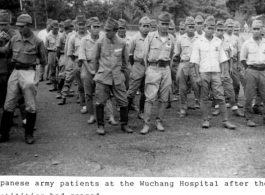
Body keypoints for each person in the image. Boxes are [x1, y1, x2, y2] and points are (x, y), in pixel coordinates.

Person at [0, 14, 47, 144]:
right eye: (18, 26)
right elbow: (5, 50)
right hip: (15, 72)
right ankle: (4, 133)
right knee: (9, 103)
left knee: (30, 105)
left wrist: (37, 78)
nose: (19, 29)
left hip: (29, 72)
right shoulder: (15, 39)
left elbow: (43, 62)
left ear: (29, 26)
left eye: (22, 26)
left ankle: (29, 134)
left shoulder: (38, 42)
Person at [190, 15, 236, 129]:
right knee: (204, 97)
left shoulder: (218, 41)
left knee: (220, 97)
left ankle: (225, 120)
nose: (211, 30)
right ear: (204, 27)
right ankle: (205, 119)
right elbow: (195, 61)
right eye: (209, 28)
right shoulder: (198, 42)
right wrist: (197, 77)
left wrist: (224, 73)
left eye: (213, 28)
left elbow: (223, 59)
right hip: (204, 72)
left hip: (216, 73)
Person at [92, 17, 132, 135]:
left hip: (117, 77)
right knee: (100, 101)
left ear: (115, 30)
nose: (106, 32)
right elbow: (95, 59)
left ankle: (124, 124)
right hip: (103, 77)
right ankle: (100, 126)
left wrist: (123, 74)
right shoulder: (99, 42)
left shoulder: (122, 42)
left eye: (108, 30)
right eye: (105, 30)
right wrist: (98, 73)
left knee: (123, 101)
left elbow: (126, 61)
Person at [140, 12, 175, 135]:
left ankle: (159, 121)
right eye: (162, 24)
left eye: (166, 24)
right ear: (158, 23)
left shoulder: (171, 38)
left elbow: (171, 56)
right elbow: (144, 55)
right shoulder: (150, 36)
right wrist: (149, 69)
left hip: (165, 69)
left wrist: (167, 69)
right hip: (153, 68)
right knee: (149, 98)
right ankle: (146, 124)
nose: (164, 26)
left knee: (164, 98)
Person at [78, 17, 117, 125]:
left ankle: (110, 116)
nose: (96, 29)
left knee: (105, 93)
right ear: (89, 28)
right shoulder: (84, 40)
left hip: (102, 68)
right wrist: (90, 70)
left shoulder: (104, 39)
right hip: (88, 67)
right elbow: (82, 57)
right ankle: (92, 115)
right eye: (94, 27)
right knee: (89, 93)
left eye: (98, 27)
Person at [212, 21, 244, 117]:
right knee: (216, 87)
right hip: (215, 66)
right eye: (218, 30)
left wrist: (230, 67)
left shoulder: (227, 40)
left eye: (222, 30)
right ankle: (217, 107)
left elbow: (230, 55)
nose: (220, 32)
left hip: (226, 66)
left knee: (229, 87)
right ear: (215, 30)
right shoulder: (212, 41)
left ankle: (234, 108)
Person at [59, 15, 87, 112]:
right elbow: (69, 53)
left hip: (88, 63)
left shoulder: (90, 36)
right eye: (80, 24)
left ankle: (89, 104)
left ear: (86, 24)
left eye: (83, 24)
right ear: (76, 25)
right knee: (79, 85)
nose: (82, 27)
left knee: (89, 84)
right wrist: (76, 61)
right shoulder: (72, 37)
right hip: (76, 62)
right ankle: (83, 104)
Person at [240, 20, 265, 127]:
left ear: (262, 29)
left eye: (258, 29)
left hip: (264, 71)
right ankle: (248, 118)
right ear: (251, 30)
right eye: (254, 29)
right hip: (251, 71)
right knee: (249, 96)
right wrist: (249, 69)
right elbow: (242, 59)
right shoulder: (247, 43)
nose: (255, 31)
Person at [174, 16, 200, 118]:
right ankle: (183, 109)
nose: (191, 28)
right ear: (185, 26)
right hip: (184, 63)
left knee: (197, 85)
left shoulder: (199, 38)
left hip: (195, 65)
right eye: (189, 26)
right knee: (182, 88)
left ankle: (200, 105)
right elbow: (177, 54)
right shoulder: (180, 39)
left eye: (193, 26)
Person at [127, 16, 151, 119]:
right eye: (144, 26)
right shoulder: (135, 38)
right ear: (139, 26)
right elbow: (130, 53)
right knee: (132, 91)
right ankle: (125, 113)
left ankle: (141, 111)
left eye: (148, 26)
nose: (146, 28)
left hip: (148, 66)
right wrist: (134, 66)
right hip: (137, 65)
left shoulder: (151, 37)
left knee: (145, 91)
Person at [224, 19, 243, 108]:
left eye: (232, 27)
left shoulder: (236, 38)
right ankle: (227, 100)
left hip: (234, 61)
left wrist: (239, 63)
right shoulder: (223, 37)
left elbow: (239, 52)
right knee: (225, 82)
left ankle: (235, 100)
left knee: (236, 83)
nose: (230, 28)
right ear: (225, 27)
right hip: (225, 62)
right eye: (229, 26)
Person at [0, 10, 17, 109]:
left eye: (4, 24)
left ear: (8, 24)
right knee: (2, 90)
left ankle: (11, 109)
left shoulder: (14, 34)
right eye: (0, 24)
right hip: (1, 67)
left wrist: (8, 40)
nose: (2, 27)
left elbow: (17, 48)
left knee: (11, 88)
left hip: (11, 65)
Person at [56, 19, 73, 99]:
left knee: (69, 75)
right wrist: (58, 58)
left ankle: (66, 90)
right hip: (63, 56)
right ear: (68, 28)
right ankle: (59, 91)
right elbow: (58, 48)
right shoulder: (62, 36)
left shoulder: (71, 35)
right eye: (71, 27)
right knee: (62, 75)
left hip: (69, 56)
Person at [45, 20, 60, 92]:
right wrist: (51, 48)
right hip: (51, 53)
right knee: (52, 70)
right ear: (51, 27)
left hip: (59, 53)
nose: (56, 29)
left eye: (57, 28)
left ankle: (60, 87)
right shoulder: (48, 36)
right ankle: (54, 85)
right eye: (55, 28)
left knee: (61, 70)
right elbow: (46, 47)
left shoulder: (61, 35)